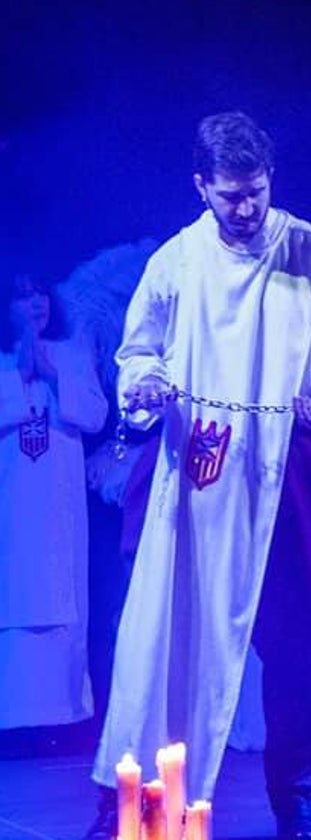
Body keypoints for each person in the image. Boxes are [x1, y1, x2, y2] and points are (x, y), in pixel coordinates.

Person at [85, 112, 311, 840]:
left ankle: (295, 794)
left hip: (285, 477)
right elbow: (137, 354)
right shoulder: (177, 263)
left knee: (294, 649)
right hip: (199, 482)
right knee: (166, 635)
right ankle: (133, 803)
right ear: (201, 187)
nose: (246, 209)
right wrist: (149, 382)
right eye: (230, 196)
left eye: (255, 192)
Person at [0, 275, 107, 729]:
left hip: (59, 507)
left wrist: (51, 374)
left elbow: (97, 415)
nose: (36, 302)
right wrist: (19, 376)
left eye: (39, 292)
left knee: (63, 597)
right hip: (12, 505)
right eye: (24, 296)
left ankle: (63, 715)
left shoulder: (71, 354)